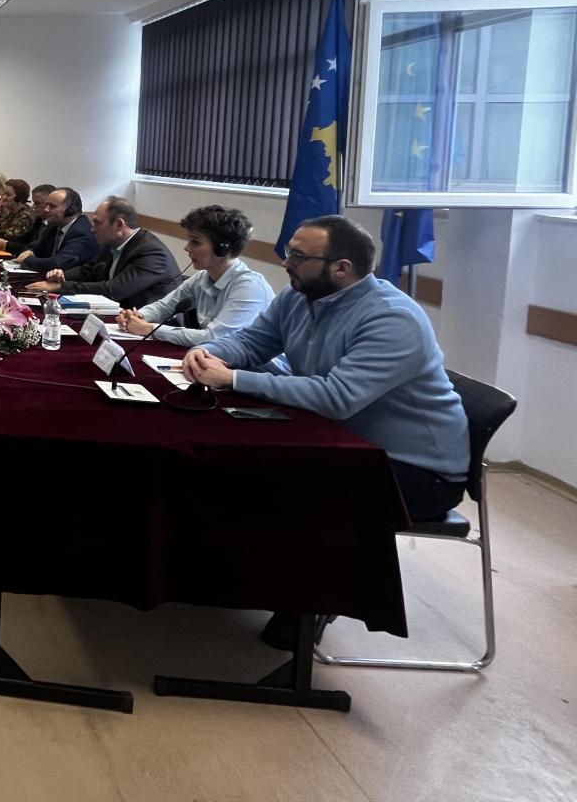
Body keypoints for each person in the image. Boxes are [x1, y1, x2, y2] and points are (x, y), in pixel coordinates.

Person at [181, 215, 469, 650]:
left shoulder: (393, 318)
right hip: (341, 442)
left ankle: (304, 606)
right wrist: (209, 351)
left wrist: (235, 379)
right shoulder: (300, 296)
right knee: (233, 464)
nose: (286, 262)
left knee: (297, 489)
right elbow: (253, 342)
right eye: (290, 252)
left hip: (413, 470)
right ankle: (234, 577)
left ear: (342, 268)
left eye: (299, 256)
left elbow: (337, 397)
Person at [115, 205, 273, 346]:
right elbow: (164, 307)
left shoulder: (249, 287)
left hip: (257, 367)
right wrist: (137, 316)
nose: (187, 248)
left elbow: (215, 338)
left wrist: (150, 329)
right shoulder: (202, 278)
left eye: (195, 242)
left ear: (222, 248)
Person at [32, 196, 183, 306]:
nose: (92, 229)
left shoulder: (152, 253)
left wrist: (60, 287)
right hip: (118, 315)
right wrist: (61, 276)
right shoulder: (112, 243)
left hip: (151, 326)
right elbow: (88, 270)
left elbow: (113, 290)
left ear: (119, 225)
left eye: (97, 223)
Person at [12, 187, 96, 271]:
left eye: (52, 206)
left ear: (70, 211)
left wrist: (27, 260)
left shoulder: (82, 233)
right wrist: (30, 251)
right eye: (46, 205)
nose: (46, 209)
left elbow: (58, 263)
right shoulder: (55, 225)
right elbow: (37, 245)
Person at [0, 183, 55, 253]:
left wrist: (5, 245)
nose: (33, 207)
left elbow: (36, 250)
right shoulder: (40, 220)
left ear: (19, 197)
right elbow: (23, 239)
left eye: (38, 203)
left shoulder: (27, 216)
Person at [0, 178, 36, 243]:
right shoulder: (10, 212)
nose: (3, 197)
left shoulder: (26, 216)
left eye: (8, 195)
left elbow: (9, 237)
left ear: (20, 198)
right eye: (3, 194)